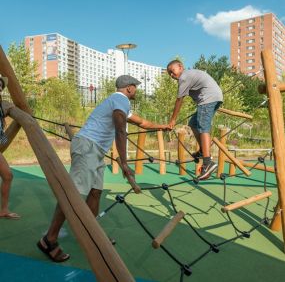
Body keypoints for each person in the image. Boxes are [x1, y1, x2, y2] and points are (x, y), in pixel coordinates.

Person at [37, 75, 170, 262]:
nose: (137, 90)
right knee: (73, 194)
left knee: (95, 193)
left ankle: (93, 233)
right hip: (88, 148)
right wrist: (124, 163)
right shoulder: (120, 101)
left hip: (95, 151)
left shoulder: (119, 102)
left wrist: (162, 127)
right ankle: (49, 239)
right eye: (136, 87)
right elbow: (120, 128)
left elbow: (142, 123)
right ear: (130, 88)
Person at [167, 60, 223, 180]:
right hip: (214, 97)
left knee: (203, 128)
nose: (172, 75)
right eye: (169, 74)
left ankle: (208, 163)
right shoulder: (189, 75)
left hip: (207, 99)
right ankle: (203, 150)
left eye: (172, 71)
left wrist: (173, 120)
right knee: (193, 123)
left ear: (180, 67)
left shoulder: (184, 77)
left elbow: (179, 100)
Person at [0, 76, 20, 219]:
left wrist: (8, 109)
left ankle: (4, 209)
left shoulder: (2, 105)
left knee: (7, 176)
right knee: (7, 175)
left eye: (1, 86)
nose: (0, 88)